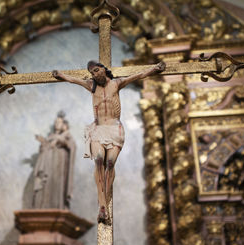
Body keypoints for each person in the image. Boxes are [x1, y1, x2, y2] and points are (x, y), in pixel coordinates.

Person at [52, 60, 165, 223]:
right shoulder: (91, 86)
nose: (95, 74)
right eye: (92, 73)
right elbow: (73, 80)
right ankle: (102, 207)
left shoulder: (117, 83)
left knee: (110, 164)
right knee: (98, 160)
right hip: (98, 128)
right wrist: (60, 75)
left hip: (114, 128)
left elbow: (138, 75)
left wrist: (154, 68)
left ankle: (104, 201)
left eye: (97, 70)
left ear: (104, 69)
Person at [30, 111, 76, 209]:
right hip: (48, 166)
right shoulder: (50, 137)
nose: (56, 124)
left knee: (57, 186)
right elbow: (44, 149)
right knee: (46, 185)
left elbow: (72, 146)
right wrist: (43, 144)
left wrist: (61, 141)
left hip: (59, 166)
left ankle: (58, 206)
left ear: (64, 125)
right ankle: (43, 206)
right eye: (55, 122)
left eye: (59, 122)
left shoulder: (67, 136)